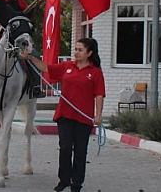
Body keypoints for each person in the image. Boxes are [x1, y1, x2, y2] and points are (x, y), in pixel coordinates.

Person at [22, 38, 105, 192]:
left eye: (80, 50)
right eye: (75, 49)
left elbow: (99, 94)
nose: (76, 53)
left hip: (84, 118)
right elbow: (46, 68)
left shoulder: (95, 73)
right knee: (65, 148)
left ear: (89, 53)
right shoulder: (67, 66)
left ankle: (77, 183)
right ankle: (64, 180)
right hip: (65, 115)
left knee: (80, 151)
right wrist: (30, 57)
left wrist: (98, 115)